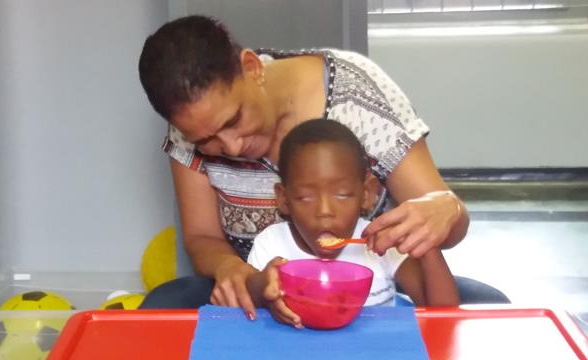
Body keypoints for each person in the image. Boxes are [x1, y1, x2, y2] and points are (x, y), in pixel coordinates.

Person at [137, 15, 506, 311]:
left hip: (375, 288)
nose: (230, 146)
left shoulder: (358, 94)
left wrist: (445, 208)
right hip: (258, 293)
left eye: (233, 120)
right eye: (206, 141)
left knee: (491, 309)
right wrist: (233, 270)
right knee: (165, 306)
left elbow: (444, 226)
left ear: (251, 67)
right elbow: (202, 238)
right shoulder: (188, 124)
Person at [245, 119, 459, 327]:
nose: (324, 212)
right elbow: (249, 299)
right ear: (284, 199)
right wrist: (263, 285)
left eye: (342, 195)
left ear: (366, 195)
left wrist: (426, 245)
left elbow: (443, 313)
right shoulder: (272, 243)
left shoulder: (382, 243)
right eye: (306, 197)